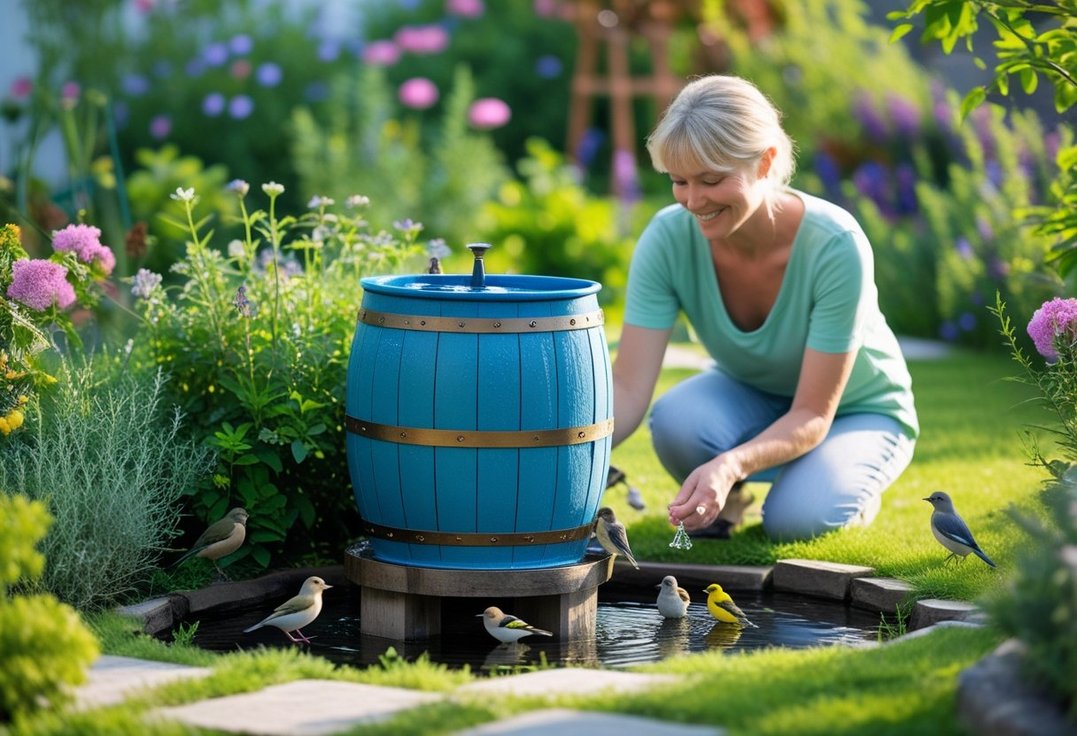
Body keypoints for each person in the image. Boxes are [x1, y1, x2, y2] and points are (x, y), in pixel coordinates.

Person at [612, 74, 918, 541]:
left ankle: (845, 483)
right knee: (677, 421)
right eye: (679, 181)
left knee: (794, 521)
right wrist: (560, 456)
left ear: (765, 161)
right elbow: (628, 387)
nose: (693, 201)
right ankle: (729, 500)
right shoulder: (667, 237)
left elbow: (814, 412)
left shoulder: (836, 245)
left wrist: (731, 462)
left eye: (712, 180)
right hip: (750, 392)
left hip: (855, 410)